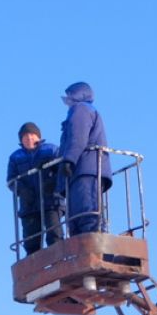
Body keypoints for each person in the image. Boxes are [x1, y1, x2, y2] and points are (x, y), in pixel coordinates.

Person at [57, 81, 111, 235]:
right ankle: (87, 248)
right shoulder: (85, 110)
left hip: (85, 169)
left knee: (86, 214)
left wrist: (69, 160)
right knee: (78, 217)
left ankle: (94, 248)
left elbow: (78, 137)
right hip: (82, 170)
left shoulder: (80, 109)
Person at [6, 121, 64, 253]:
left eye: (32, 134)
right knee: (31, 241)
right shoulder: (16, 157)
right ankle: (35, 270)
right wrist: (22, 191)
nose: (29, 138)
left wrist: (52, 181)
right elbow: (11, 180)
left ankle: (59, 261)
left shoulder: (51, 150)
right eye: (25, 136)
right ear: (21, 140)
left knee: (54, 234)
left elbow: (62, 167)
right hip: (29, 205)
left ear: (38, 136)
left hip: (51, 201)